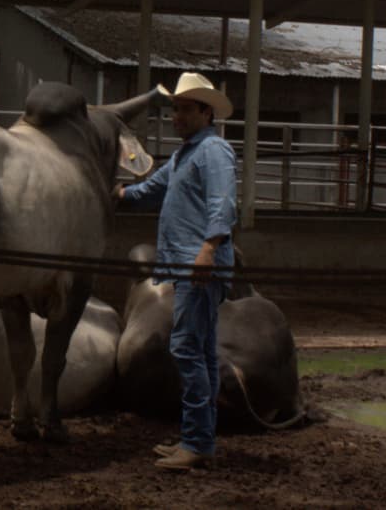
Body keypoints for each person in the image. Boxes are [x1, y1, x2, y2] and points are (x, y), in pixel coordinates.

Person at [115, 71, 236, 471]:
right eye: (175, 110)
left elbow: (223, 203)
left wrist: (207, 251)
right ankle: (197, 439)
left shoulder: (213, 151)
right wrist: (117, 194)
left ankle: (197, 443)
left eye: (185, 110)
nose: (177, 117)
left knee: (186, 348)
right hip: (187, 264)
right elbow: (148, 191)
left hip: (197, 266)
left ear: (206, 112)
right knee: (199, 350)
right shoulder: (184, 156)